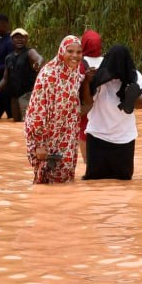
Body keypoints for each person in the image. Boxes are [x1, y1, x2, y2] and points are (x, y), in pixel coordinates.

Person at [81, 45, 142, 180]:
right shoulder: (98, 77)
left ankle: (128, 97)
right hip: (98, 136)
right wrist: (87, 83)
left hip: (124, 139)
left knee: (122, 181)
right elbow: (88, 101)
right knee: (94, 181)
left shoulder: (135, 77)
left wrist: (132, 95)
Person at [23, 36, 84, 184]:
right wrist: (39, 144)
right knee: (45, 180)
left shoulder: (75, 74)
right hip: (47, 139)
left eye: (78, 52)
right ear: (62, 51)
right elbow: (36, 110)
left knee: (66, 180)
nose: (75, 56)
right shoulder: (48, 75)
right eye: (70, 51)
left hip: (67, 139)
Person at [0, 28, 42, 122]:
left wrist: (38, 64)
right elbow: (5, 79)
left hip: (28, 95)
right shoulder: (8, 58)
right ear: (12, 40)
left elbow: (40, 58)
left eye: (22, 38)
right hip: (14, 96)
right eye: (17, 38)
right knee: (16, 122)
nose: (19, 40)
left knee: (27, 121)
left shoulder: (30, 52)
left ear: (26, 39)